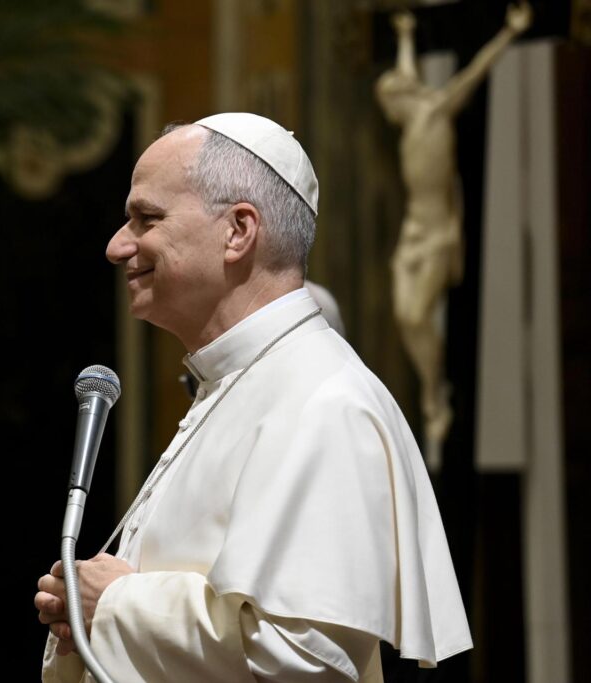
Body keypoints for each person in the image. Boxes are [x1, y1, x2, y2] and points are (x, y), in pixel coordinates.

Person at [33, 113, 472, 682]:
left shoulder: (324, 403)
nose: (118, 246)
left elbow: (305, 658)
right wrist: (85, 616)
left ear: (238, 231)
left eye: (147, 218)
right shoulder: (239, 382)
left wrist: (115, 604)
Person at [375, 2, 532, 451]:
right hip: (412, 231)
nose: (389, 110)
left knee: (414, 315)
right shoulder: (412, 118)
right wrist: (406, 36)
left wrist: (510, 32)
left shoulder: (438, 110)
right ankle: (433, 387)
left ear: (401, 99)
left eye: (391, 102)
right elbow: (407, 73)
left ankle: (433, 395)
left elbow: (476, 71)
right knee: (403, 314)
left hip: (439, 232)